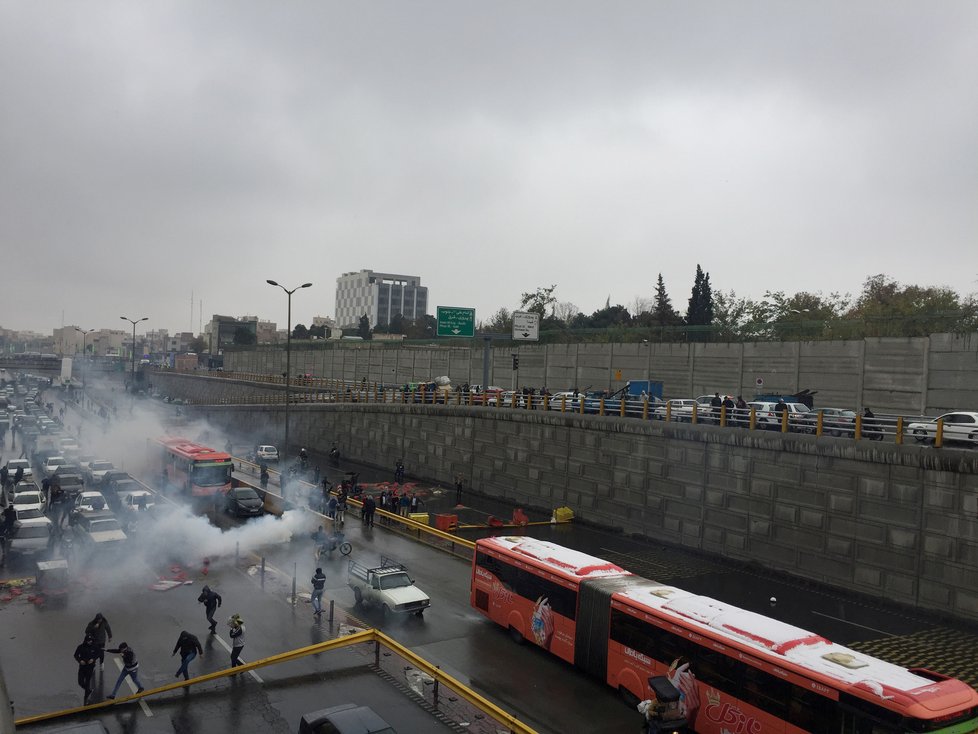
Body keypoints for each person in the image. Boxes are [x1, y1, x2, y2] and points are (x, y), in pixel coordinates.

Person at [73, 634, 100, 703]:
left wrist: (93, 659)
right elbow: (76, 655)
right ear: (86, 641)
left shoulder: (95, 646)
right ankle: (88, 690)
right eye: (89, 641)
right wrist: (80, 660)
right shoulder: (80, 647)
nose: (90, 642)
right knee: (80, 682)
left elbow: (98, 654)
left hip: (90, 667)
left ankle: (86, 697)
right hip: (82, 667)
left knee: (87, 682)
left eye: (91, 640)